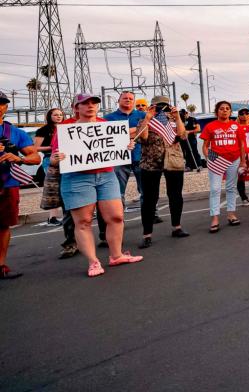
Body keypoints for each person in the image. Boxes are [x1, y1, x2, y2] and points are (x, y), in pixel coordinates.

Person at [51, 94, 142, 277]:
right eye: (85, 103)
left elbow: (117, 147)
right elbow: (55, 157)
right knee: (83, 221)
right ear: (76, 107)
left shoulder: (106, 125)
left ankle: (116, 255)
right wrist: (55, 159)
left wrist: (127, 146)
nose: (90, 106)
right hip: (77, 178)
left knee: (116, 216)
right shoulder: (65, 128)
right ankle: (93, 262)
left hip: (106, 175)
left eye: (94, 103)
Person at [136, 96, 190, 248]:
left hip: (173, 161)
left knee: (175, 195)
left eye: (165, 105)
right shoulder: (146, 119)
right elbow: (143, 138)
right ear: (152, 106)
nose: (162, 108)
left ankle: (177, 227)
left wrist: (177, 117)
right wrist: (147, 118)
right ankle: (147, 235)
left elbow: (182, 136)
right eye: (159, 106)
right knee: (149, 199)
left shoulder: (173, 120)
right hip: (151, 163)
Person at [0, 91, 41, 279]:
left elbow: (35, 156)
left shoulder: (15, 133)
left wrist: (19, 158)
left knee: (3, 226)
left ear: (6, 107)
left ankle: (1, 265)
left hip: (6, 184)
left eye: (1, 103)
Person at [200, 100, 241, 232]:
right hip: (216, 160)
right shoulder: (210, 126)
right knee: (215, 189)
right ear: (217, 111)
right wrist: (210, 159)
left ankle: (231, 214)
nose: (224, 110)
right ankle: (215, 218)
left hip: (234, 159)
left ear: (230, 111)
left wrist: (244, 161)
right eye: (221, 108)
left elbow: (241, 145)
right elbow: (205, 146)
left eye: (227, 108)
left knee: (231, 188)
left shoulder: (236, 126)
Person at [105, 91, 146, 219]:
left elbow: (147, 131)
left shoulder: (143, 115)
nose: (128, 100)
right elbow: (108, 136)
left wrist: (122, 133)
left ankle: (151, 214)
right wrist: (137, 130)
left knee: (145, 189)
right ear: (119, 100)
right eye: (125, 98)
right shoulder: (108, 118)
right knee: (118, 190)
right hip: (119, 159)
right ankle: (119, 217)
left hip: (140, 156)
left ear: (134, 101)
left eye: (130, 98)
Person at [33, 107, 65, 225]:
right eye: (56, 115)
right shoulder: (43, 130)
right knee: (53, 188)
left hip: (67, 159)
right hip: (50, 159)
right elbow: (35, 148)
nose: (58, 117)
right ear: (49, 116)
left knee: (68, 185)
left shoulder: (66, 128)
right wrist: (52, 147)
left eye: (60, 114)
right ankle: (53, 217)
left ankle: (71, 213)